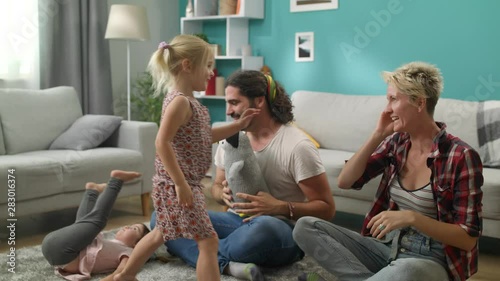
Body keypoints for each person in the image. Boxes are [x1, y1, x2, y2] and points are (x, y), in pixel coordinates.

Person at [293, 61, 484, 281]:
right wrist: (377, 135)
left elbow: (467, 238)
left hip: (431, 258)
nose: (387, 109)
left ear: (419, 102)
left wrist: (411, 218)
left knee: (405, 272)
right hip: (386, 246)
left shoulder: (461, 156)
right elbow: (345, 181)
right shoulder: (397, 143)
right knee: (305, 226)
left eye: (393, 99)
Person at [152, 69, 335, 280]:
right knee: (163, 218)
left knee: (262, 229)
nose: (228, 111)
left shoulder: (297, 146)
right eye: (227, 103)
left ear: (258, 102)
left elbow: (327, 209)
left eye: (234, 102)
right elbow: (216, 186)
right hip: (236, 221)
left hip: (279, 229)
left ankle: (203, 251)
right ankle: (229, 265)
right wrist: (222, 194)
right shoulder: (231, 139)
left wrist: (280, 207)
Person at [112, 35, 259, 281]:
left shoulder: (190, 103)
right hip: (176, 186)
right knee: (209, 241)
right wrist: (180, 183)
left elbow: (205, 135)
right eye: (208, 65)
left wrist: (239, 125)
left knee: (161, 233)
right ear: (188, 66)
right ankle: (126, 275)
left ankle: (125, 275)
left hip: (178, 185)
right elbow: (162, 141)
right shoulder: (179, 102)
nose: (212, 73)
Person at [41, 170, 148, 281]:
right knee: (85, 223)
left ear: (137, 244)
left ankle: (115, 181)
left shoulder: (129, 253)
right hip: (60, 248)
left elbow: (122, 271)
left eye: (134, 229)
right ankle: (92, 191)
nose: (127, 227)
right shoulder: (111, 243)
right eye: (130, 225)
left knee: (97, 222)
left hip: (62, 253)